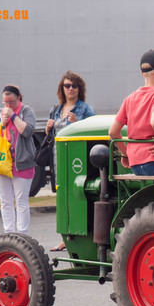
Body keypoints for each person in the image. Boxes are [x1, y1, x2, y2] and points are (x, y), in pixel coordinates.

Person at [109, 49, 154, 176]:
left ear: (142, 74)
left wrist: (125, 153)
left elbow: (112, 132)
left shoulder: (130, 98)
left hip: (136, 165)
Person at [47, 71, 96, 252]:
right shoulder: (56, 109)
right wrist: (48, 128)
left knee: (74, 197)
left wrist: (78, 122)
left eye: (74, 86)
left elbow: (95, 131)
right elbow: (52, 137)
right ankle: (64, 237)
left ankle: (72, 237)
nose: (70, 89)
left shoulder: (84, 108)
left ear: (79, 89)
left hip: (76, 160)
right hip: (58, 158)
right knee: (61, 197)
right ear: (62, 89)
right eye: (67, 86)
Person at [0, 85, 37, 234]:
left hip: (22, 163)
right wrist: (1, 124)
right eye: (5, 103)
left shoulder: (27, 111)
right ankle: (8, 232)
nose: (8, 106)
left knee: (21, 202)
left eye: (11, 102)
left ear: (18, 98)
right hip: (2, 162)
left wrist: (14, 117)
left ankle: (22, 234)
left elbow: (27, 131)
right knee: (5, 202)